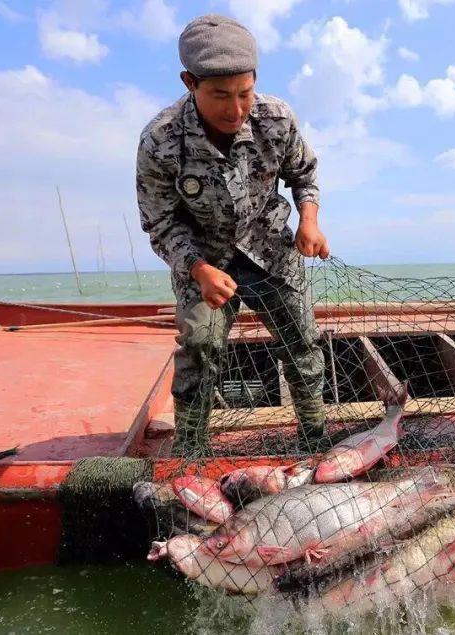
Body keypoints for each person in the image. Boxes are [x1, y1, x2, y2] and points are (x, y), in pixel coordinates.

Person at [136, 15, 330, 457]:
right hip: (202, 260)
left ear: (255, 81)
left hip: (270, 253)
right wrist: (199, 270)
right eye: (219, 95)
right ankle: (191, 451)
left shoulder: (276, 119)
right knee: (199, 352)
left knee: (302, 344)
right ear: (190, 82)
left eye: (244, 93)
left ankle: (315, 440)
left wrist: (310, 221)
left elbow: (305, 175)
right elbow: (161, 223)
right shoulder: (160, 140)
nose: (235, 109)